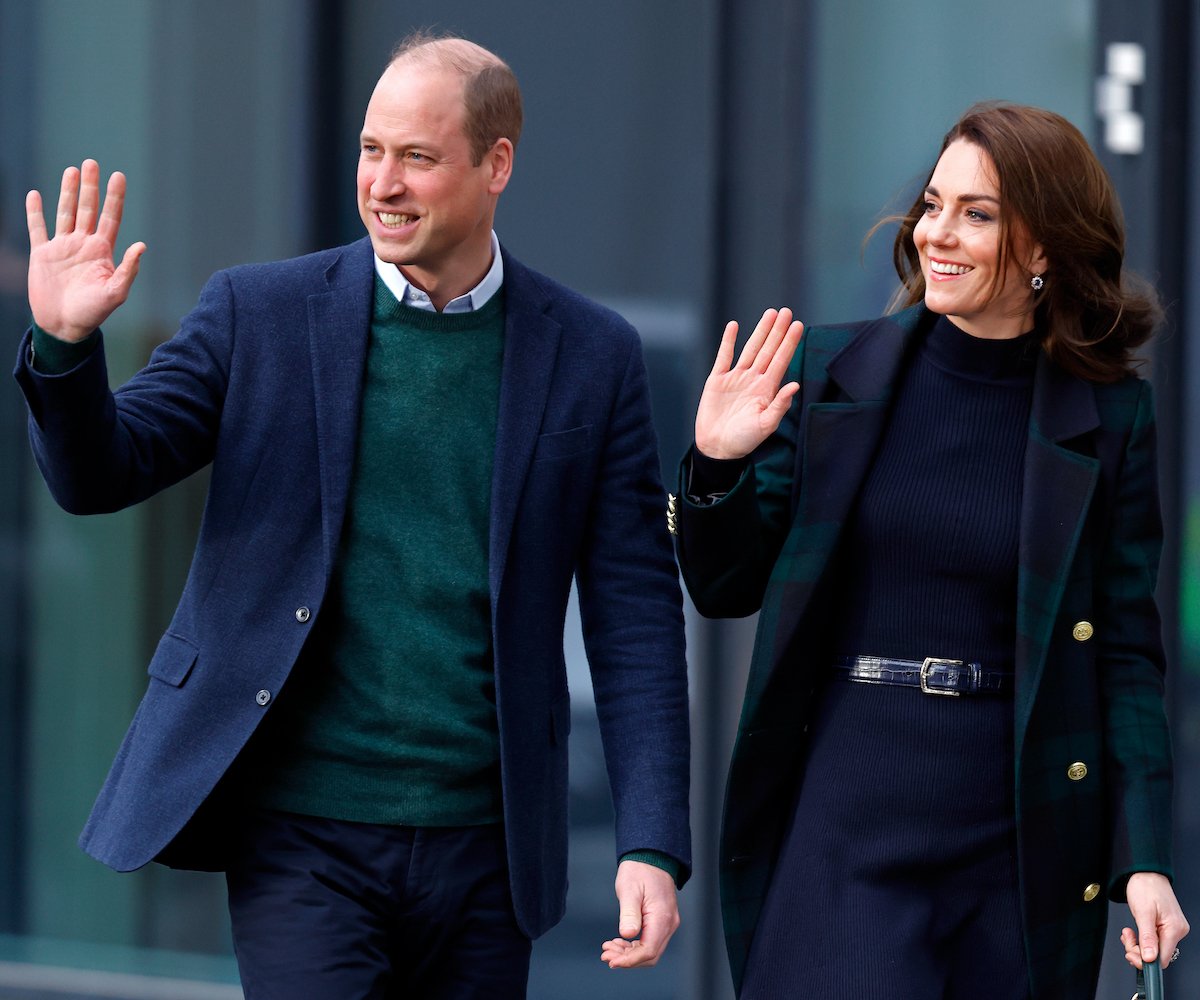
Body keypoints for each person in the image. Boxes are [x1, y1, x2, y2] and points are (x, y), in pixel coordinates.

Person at [15, 32, 690, 999]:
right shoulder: (259, 313)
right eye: (372, 151)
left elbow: (634, 613)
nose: (384, 182)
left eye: (418, 157)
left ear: (497, 164)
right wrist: (66, 346)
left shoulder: (591, 353)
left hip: (488, 846)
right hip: (303, 833)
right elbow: (102, 473)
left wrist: (653, 841)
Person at [671, 101, 1188, 999]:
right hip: (845, 820)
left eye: (977, 214)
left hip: (1015, 839)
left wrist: (1143, 858)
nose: (937, 233)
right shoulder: (831, 377)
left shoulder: (1107, 420)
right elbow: (724, 587)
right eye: (933, 203)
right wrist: (715, 464)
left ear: (1043, 251)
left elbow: (1127, 657)